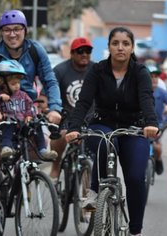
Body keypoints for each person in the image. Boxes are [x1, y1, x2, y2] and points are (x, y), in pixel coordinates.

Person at [0, 9, 62, 235]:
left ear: (25, 31)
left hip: (24, 108)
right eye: (7, 30)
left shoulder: (35, 50)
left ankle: (24, 179)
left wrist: (55, 109)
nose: (12, 34)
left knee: (38, 150)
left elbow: (50, 80)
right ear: (1, 32)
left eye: (17, 29)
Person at [65, 26, 159, 236]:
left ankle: (135, 229)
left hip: (133, 127)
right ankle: (94, 197)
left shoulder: (140, 72)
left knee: (135, 178)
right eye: (115, 43)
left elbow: (146, 99)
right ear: (108, 47)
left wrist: (151, 124)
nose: (120, 48)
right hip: (102, 124)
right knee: (106, 144)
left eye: (125, 44)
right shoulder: (97, 70)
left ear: (132, 48)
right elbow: (84, 102)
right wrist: (74, 128)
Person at [0, 59, 57, 160]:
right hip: (7, 126)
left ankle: (43, 150)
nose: (17, 86)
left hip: (23, 125)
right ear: (2, 84)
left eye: (18, 83)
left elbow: (30, 106)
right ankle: (6, 147)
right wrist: (0, 99)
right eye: (13, 84)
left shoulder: (23, 95)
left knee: (37, 125)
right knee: (9, 125)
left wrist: (29, 116)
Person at [49, 37, 94, 179]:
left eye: (88, 51)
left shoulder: (97, 70)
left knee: (93, 151)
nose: (84, 54)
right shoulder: (60, 70)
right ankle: (55, 166)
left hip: (90, 118)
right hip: (66, 117)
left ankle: (87, 195)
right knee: (60, 136)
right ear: (72, 53)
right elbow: (47, 95)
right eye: (80, 51)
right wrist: (49, 110)